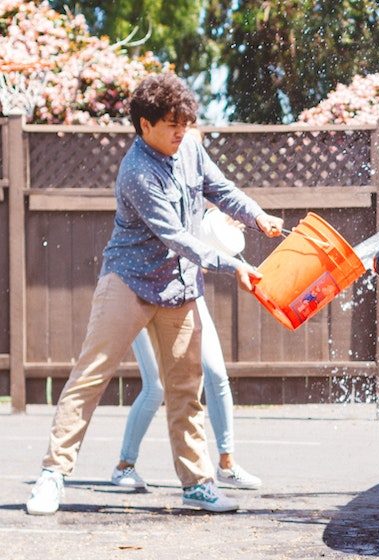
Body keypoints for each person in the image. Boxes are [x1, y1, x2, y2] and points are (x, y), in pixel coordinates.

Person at [25, 73, 284, 516]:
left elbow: (218, 189)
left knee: (186, 388)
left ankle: (198, 485)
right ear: (145, 125)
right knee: (90, 376)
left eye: (184, 121)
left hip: (178, 286)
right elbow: (178, 236)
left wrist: (258, 215)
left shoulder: (190, 147)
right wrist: (234, 265)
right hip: (128, 281)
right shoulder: (137, 172)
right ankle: (53, 475)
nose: (180, 131)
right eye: (170, 124)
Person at [111, 210, 262, 491]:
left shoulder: (195, 183)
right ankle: (124, 466)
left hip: (185, 293)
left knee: (216, 373)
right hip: (142, 289)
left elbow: (215, 198)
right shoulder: (148, 183)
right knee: (155, 387)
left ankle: (227, 464)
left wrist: (230, 216)